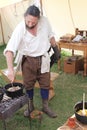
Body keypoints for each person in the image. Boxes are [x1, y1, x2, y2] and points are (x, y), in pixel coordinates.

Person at [4, 5, 60, 118]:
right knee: (28, 85)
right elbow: (9, 50)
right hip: (28, 60)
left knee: (45, 83)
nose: (30, 24)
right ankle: (30, 106)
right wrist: (10, 69)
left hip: (43, 58)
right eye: (28, 21)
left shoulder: (45, 22)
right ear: (24, 17)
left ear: (39, 19)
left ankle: (45, 106)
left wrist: (55, 49)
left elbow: (50, 35)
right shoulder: (20, 28)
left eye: (33, 22)